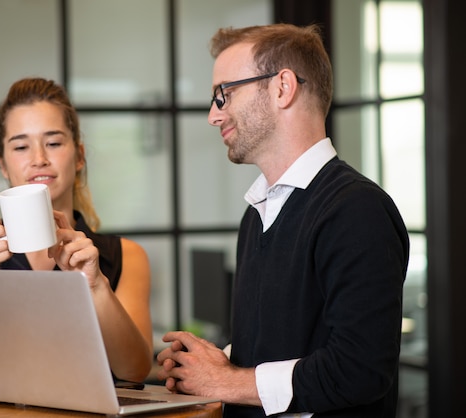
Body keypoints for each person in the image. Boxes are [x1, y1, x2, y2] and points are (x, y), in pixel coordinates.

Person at [156, 23, 409, 418]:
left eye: (225, 94)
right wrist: (218, 362)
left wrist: (223, 382)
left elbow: (360, 370)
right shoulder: (257, 214)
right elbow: (287, 346)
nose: (213, 114)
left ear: (281, 87)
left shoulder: (357, 209)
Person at [0, 78, 153, 391]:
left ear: (78, 155)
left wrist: (97, 286)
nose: (38, 159)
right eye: (21, 146)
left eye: (53, 142)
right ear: (3, 165)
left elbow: (135, 371)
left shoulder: (126, 255)